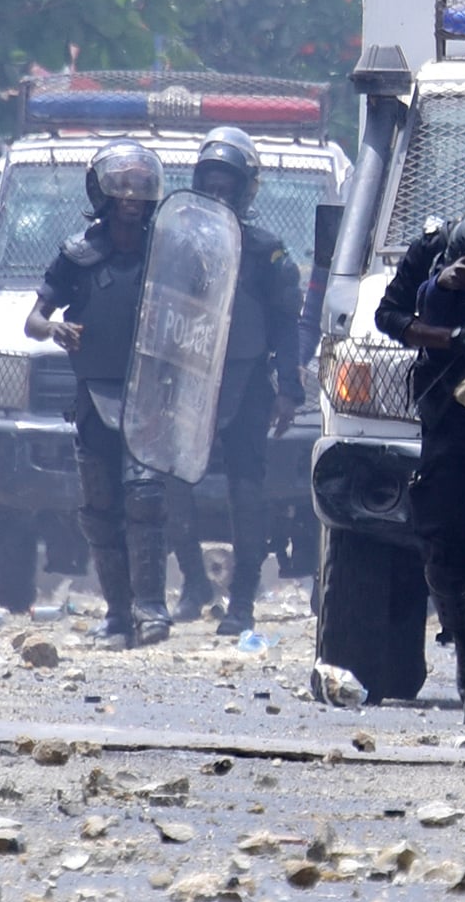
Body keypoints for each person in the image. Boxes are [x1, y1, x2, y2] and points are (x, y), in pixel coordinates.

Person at [381, 157, 465, 722]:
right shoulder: (434, 246)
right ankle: (464, 653)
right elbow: (389, 316)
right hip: (449, 419)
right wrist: (447, 321)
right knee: (445, 547)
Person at [29, 141, 163, 645]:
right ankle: (118, 615)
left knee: (146, 499)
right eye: (121, 185)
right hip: (95, 397)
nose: (131, 194)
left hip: (151, 393)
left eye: (139, 185)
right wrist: (55, 331)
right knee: (101, 507)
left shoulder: (167, 251)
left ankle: (152, 609)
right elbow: (33, 320)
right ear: (102, 192)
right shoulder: (77, 256)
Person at [188, 127, 304, 637]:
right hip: (188, 379)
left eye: (226, 186)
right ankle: (191, 587)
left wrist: (286, 390)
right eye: (209, 185)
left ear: (244, 190)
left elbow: (285, 324)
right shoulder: (180, 246)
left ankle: (242, 604)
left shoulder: (265, 252)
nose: (218, 195)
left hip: (248, 381)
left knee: (246, 490)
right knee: (168, 482)